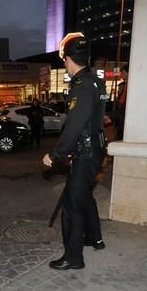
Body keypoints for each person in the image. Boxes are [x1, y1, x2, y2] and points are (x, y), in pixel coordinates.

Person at [43, 32, 106, 270]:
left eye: (64, 61)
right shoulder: (95, 80)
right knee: (84, 197)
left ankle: (73, 257)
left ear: (68, 59)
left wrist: (55, 153)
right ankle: (95, 238)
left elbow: (75, 124)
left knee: (72, 205)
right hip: (94, 150)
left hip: (86, 152)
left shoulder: (81, 85)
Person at [114, 65, 128, 140]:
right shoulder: (126, 84)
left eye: (123, 72)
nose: (121, 75)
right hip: (121, 117)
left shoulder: (130, 85)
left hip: (123, 118)